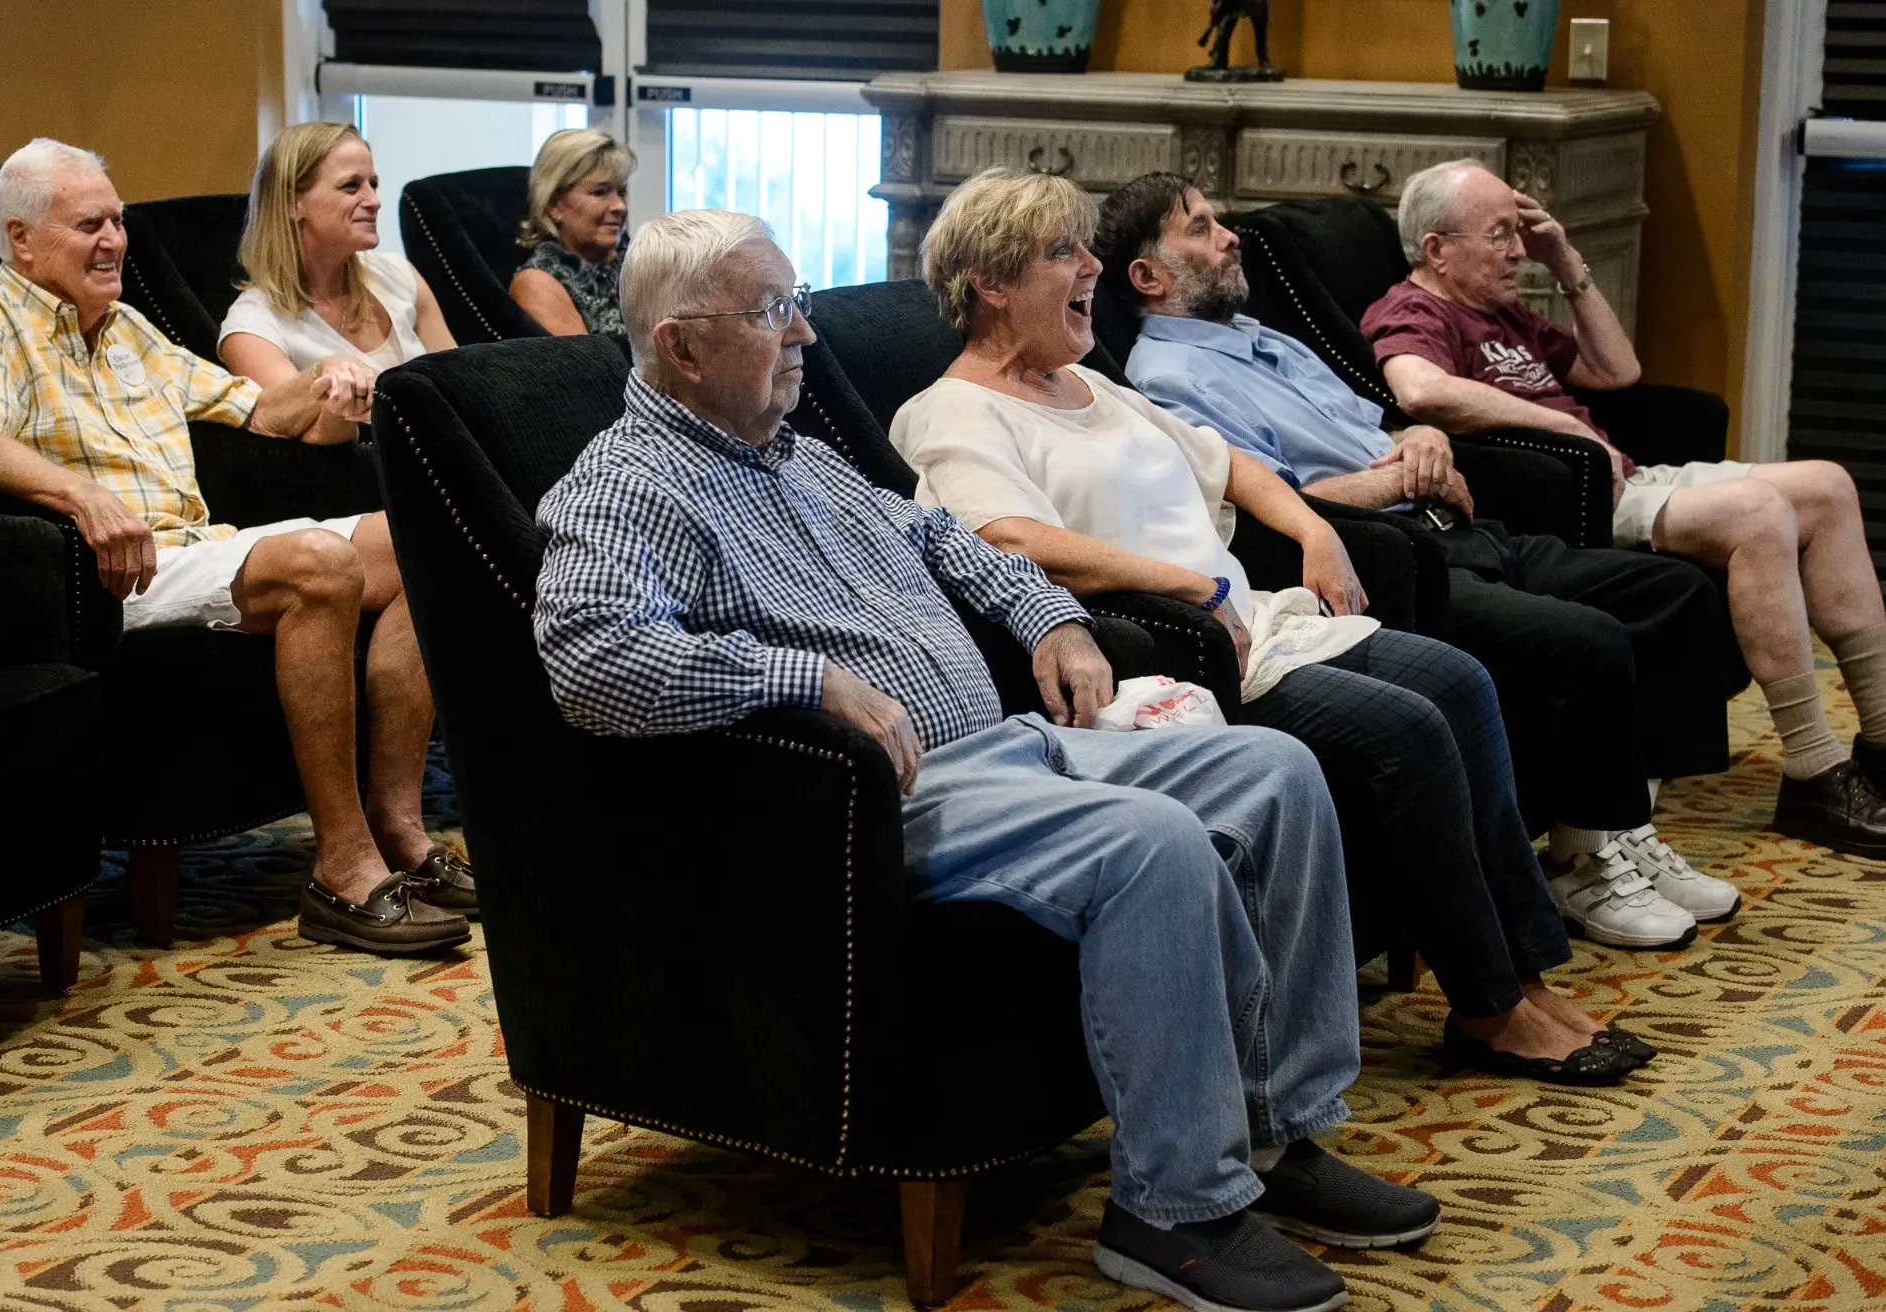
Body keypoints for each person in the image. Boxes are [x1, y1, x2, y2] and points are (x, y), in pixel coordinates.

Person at [533, 206, 1441, 1312]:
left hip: (1008, 747)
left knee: (1274, 772)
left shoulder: (794, 452)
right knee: (1155, 848)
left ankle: (1275, 1133)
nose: (806, 338)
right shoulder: (629, 486)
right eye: (776, 314)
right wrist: (805, 681)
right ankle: (1174, 1211)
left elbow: (942, 536)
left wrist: (1050, 617)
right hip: (878, 806)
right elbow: (593, 657)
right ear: (680, 344)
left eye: (802, 307)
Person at [894, 166, 1656, 1086]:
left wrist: (1314, 527)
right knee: (1408, 728)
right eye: (1064, 252)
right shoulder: (953, 410)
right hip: (1182, 651)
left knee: (1459, 679)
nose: (1093, 266)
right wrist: (1189, 586)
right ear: (990, 283)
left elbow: (1232, 464)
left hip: (1256, 620)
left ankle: (1526, 975)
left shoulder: (1093, 386)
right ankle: (1489, 1008)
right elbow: (1005, 536)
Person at [1098, 170, 1746, 950]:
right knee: (1587, 638)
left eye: (1218, 220)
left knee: (1671, 592)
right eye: (1199, 228)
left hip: (1452, 516)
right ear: (1148, 276)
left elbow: (1378, 423)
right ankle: (1586, 863)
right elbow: (1262, 497)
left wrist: (1421, 439)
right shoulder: (1167, 379)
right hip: (1395, 547)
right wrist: (1392, 477)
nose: (1228, 235)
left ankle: (1616, 826)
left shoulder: (1262, 337)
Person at [0, 138, 474, 954]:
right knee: (319, 564)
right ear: (23, 238)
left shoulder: (127, 327)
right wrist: (84, 497)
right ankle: (342, 868)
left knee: (423, 539)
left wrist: (326, 381)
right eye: (89, 225)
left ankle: (399, 828)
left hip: (192, 548)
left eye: (116, 221)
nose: (114, 240)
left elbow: (257, 411)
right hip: (103, 571)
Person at [1361, 158, 1886, 861]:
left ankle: (1880, 742)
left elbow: (1616, 372)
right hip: (1563, 496)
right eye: (1499, 236)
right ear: (1435, 250)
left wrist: (1564, 259)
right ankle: (1813, 771)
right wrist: (1569, 430)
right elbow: (1420, 391)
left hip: (1629, 475)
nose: (1517, 250)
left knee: (1827, 484)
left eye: (1519, 234)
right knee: (1760, 511)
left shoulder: (1505, 313)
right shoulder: (1413, 309)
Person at [220, 122, 457, 443]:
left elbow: (460, 383)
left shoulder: (401, 275)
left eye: (373, 184)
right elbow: (304, 452)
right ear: (293, 202)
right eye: (351, 186)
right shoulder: (252, 328)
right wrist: (331, 402)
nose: (374, 201)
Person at [509, 128, 633, 337]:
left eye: (622, 192)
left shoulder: (635, 261)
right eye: (600, 192)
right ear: (554, 205)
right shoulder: (537, 283)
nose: (620, 206)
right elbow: (589, 367)